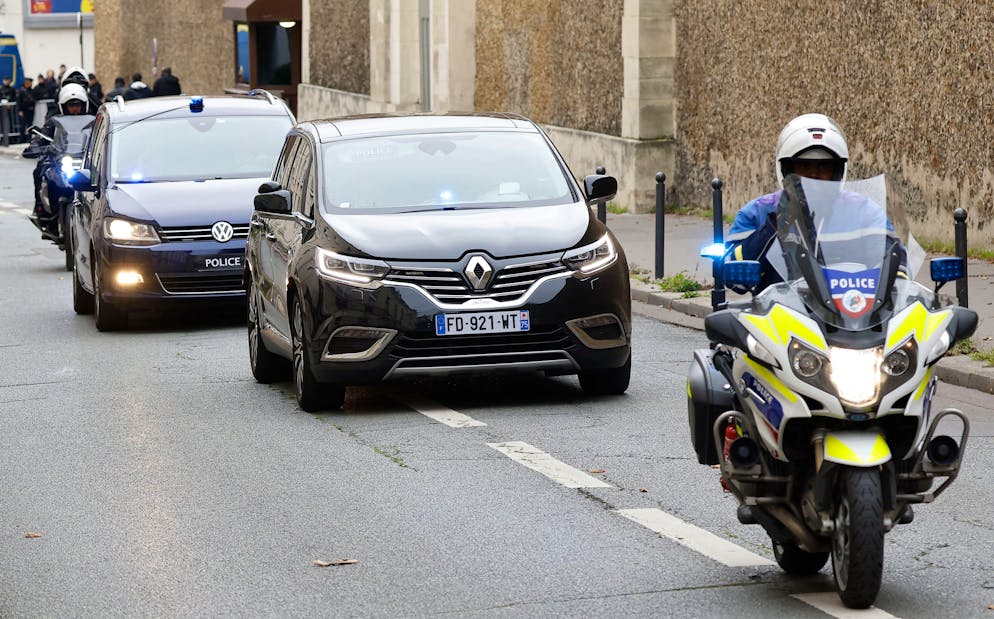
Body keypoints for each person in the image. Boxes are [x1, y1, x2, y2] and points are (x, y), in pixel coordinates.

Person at [26, 84, 90, 217]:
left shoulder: (93, 121)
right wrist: (36, 145)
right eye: (71, 105)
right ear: (64, 106)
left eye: (77, 105)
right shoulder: (54, 122)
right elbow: (41, 136)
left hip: (85, 158)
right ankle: (40, 208)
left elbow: (102, 137)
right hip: (61, 158)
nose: (75, 108)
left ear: (84, 105)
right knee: (40, 172)